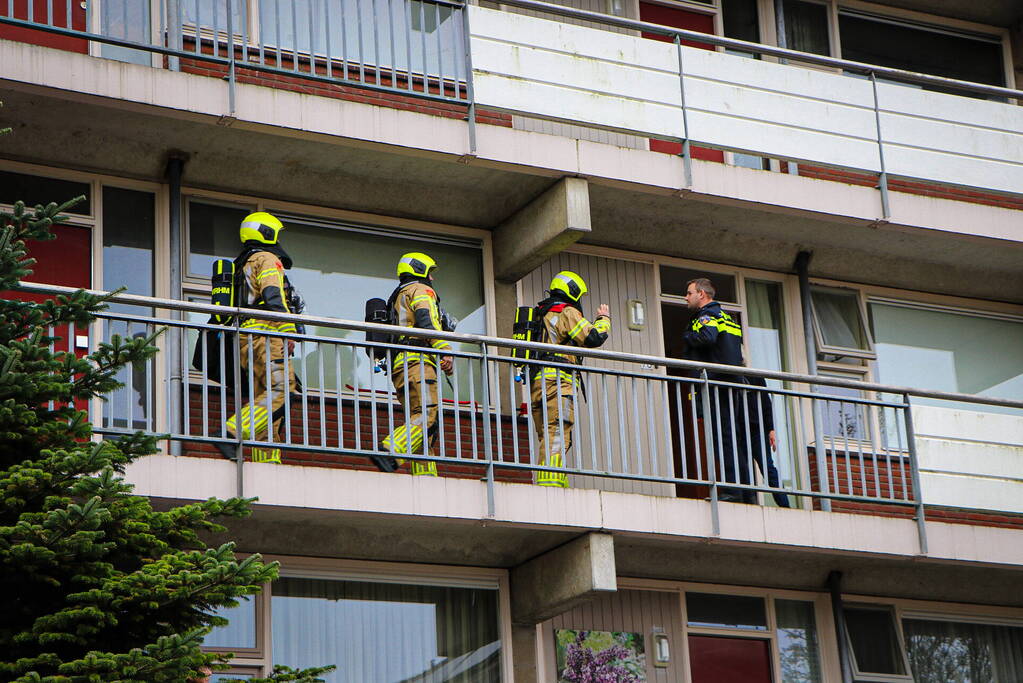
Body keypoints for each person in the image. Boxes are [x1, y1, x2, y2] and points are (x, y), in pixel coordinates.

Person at [218, 212, 299, 463]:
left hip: (247, 339)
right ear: (266, 232)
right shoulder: (266, 259)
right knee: (282, 391)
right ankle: (231, 432)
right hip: (267, 334)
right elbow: (273, 295)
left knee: (266, 401)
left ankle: (267, 460)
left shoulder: (243, 263)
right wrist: (288, 331)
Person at [529, 271, 611, 488]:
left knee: (547, 431)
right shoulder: (566, 311)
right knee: (558, 429)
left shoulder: (541, 313)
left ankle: (555, 477)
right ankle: (551, 481)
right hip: (558, 379)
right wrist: (604, 320)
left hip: (538, 381)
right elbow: (593, 338)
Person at [374, 252, 453, 476]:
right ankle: (391, 449)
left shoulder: (398, 295)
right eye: (430, 273)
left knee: (420, 421)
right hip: (417, 362)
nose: (432, 279)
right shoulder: (420, 289)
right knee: (428, 414)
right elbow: (426, 321)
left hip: (400, 365)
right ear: (419, 270)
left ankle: (425, 473)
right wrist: (444, 350)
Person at [682, 277, 751, 503]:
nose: (686, 297)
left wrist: (687, 337)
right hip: (732, 384)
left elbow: (707, 337)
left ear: (702, 294)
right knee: (734, 437)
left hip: (716, 384)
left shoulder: (706, 316)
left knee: (724, 438)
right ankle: (745, 491)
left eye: (689, 293)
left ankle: (732, 490)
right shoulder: (728, 318)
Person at [745, 375, 791, 507]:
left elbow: (766, 403)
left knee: (767, 467)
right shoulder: (728, 376)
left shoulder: (755, 378)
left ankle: (784, 504)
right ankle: (748, 502)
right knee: (742, 468)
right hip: (739, 431)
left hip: (756, 430)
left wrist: (771, 429)